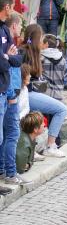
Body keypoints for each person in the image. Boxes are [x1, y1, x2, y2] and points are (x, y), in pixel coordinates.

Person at [19, 25, 67, 158]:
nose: (42, 41)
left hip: (30, 93)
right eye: (40, 38)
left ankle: (35, 148)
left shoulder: (32, 52)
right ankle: (51, 146)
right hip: (26, 93)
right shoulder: (25, 53)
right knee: (61, 109)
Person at [0, 12, 25, 186]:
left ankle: (3, 170)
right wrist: (12, 97)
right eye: (20, 25)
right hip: (10, 94)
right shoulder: (8, 42)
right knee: (11, 134)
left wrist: (10, 57)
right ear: (14, 26)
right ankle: (10, 172)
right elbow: (9, 69)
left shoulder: (10, 45)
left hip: (9, 92)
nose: (21, 29)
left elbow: (17, 60)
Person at [40, 34, 66, 101]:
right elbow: (65, 76)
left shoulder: (41, 58)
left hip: (44, 97)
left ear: (46, 44)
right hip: (59, 96)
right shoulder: (63, 60)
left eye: (41, 42)